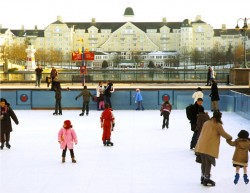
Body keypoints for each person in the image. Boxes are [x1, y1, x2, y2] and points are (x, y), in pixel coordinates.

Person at [195, 111, 232, 186]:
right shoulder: (217, 125)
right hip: (209, 146)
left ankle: (202, 177)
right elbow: (223, 134)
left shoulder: (206, 122)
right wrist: (230, 137)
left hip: (201, 145)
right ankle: (206, 178)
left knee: (204, 163)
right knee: (208, 163)